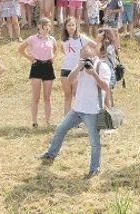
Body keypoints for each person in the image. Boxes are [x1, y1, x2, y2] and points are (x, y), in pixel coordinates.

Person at [38, 43, 111, 179]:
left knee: (94, 142)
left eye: (87, 58)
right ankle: (51, 153)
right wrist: (79, 67)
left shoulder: (102, 67)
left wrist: (93, 73)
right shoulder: (80, 67)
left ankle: (95, 168)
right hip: (78, 109)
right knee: (61, 129)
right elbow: (70, 80)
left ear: (94, 55)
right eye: (83, 58)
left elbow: (106, 87)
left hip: (92, 111)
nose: (86, 60)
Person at [18, 17, 56, 128]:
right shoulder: (32, 38)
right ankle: (34, 121)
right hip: (37, 66)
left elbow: (56, 49)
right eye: (44, 26)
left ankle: (48, 121)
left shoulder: (51, 39)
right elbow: (21, 49)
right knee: (36, 96)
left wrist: (53, 57)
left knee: (47, 96)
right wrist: (30, 58)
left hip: (48, 66)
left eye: (48, 26)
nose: (46, 28)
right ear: (39, 26)